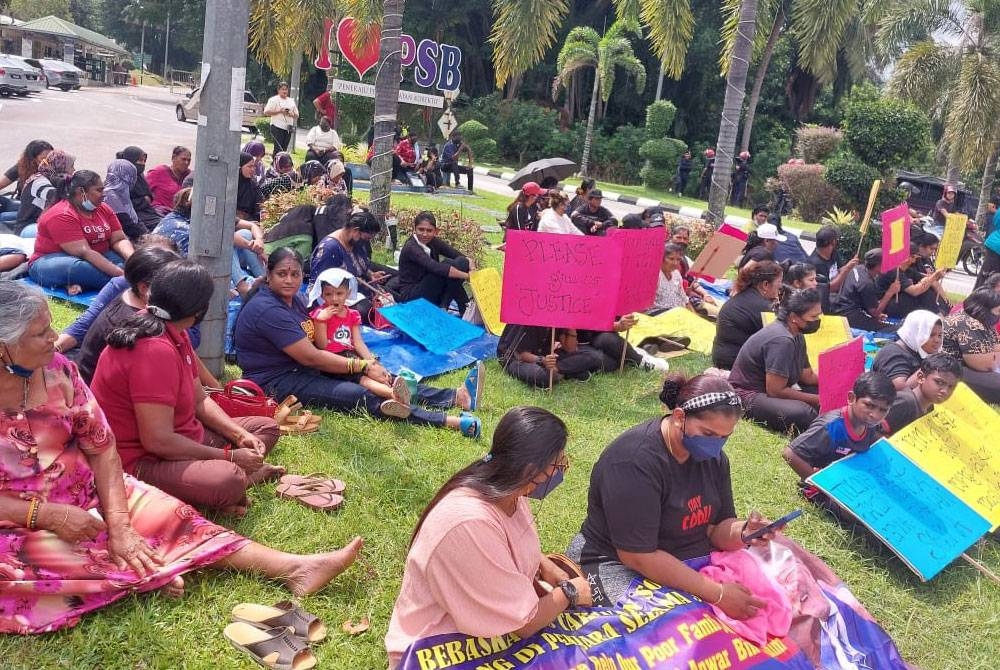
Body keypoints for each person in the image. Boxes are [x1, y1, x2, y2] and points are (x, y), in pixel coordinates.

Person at [0, 280, 362, 635]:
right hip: (14, 515)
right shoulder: (150, 347)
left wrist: (121, 524)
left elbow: (102, 447)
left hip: (87, 487)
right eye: (40, 333)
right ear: (3, 347)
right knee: (27, 567)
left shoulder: (61, 369)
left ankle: (294, 568)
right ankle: (145, 575)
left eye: (50, 327)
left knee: (175, 518)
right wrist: (43, 514)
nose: (55, 336)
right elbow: (158, 439)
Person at [385, 407, 591, 668]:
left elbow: (505, 544)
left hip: (487, 635)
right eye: (558, 465)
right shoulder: (469, 523)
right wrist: (570, 592)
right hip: (440, 650)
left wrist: (542, 564)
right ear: (531, 470)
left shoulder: (510, 492)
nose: (561, 472)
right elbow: (525, 625)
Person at [565, 373, 778, 610]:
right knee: (672, 628)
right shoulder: (634, 463)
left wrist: (744, 532)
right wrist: (716, 594)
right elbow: (638, 556)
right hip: (614, 562)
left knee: (777, 583)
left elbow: (716, 528)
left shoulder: (713, 459)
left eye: (724, 437)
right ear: (679, 417)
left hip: (684, 559)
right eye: (708, 434)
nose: (716, 444)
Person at [90, 260, 282, 515]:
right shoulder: (153, 351)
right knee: (229, 479)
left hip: (182, 438)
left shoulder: (172, 329)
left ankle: (214, 487)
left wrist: (239, 435)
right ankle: (222, 489)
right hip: (139, 461)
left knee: (264, 428)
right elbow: (157, 442)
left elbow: (199, 400)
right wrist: (229, 458)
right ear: (198, 311)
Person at [234, 248, 482, 436]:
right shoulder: (267, 309)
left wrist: (362, 361)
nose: (289, 280)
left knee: (383, 376)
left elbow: (322, 344)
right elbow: (310, 356)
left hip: (305, 367)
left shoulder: (294, 300)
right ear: (268, 275)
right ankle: (449, 421)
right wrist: (360, 366)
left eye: (294, 274)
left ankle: (457, 397)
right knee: (358, 393)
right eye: (281, 274)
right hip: (277, 381)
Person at [307, 269, 411, 410]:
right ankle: (393, 395)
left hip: (351, 355)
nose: (334, 298)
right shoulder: (320, 314)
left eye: (339, 293)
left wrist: (372, 362)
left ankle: (398, 394)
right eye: (328, 294)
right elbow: (322, 345)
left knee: (374, 371)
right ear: (321, 294)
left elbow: (358, 342)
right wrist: (320, 322)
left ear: (348, 293)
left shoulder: (352, 314)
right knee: (362, 379)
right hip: (334, 359)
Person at [75, 246, 180, 383]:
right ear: (144, 288)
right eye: (173, 285)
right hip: (97, 395)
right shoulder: (137, 325)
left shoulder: (131, 296)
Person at [729, 288, 822, 433]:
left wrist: (835, 383)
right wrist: (817, 399)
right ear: (794, 317)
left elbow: (807, 377)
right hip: (748, 396)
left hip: (770, 392)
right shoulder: (782, 340)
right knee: (805, 413)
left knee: (826, 394)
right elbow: (776, 391)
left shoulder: (797, 335)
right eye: (813, 317)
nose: (817, 321)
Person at [28, 170, 135, 293]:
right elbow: (85, 253)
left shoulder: (103, 208)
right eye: (99, 190)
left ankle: (80, 283)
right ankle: (127, 284)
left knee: (125, 264)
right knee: (82, 269)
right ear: (81, 192)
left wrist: (134, 260)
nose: (104, 194)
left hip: (96, 255)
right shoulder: (62, 214)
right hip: (53, 261)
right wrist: (121, 274)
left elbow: (119, 239)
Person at [782, 371, 895, 482]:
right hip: (828, 483)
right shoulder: (831, 426)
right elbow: (790, 454)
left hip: (846, 475)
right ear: (851, 398)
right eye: (869, 405)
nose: (875, 415)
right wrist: (818, 482)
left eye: (883, 410)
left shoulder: (868, 423)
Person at [154, 187, 265, 298]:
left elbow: (251, 226)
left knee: (245, 233)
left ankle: (263, 277)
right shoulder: (181, 226)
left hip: (199, 260)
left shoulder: (199, 217)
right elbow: (224, 237)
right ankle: (242, 286)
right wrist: (254, 248)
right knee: (221, 244)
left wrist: (259, 241)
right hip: (181, 272)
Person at [310, 209, 394, 324]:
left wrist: (371, 275)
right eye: (367, 238)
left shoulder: (356, 242)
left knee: (391, 297)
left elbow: (360, 265)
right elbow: (319, 286)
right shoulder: (329, 249)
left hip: (361, 289)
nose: (366, 242)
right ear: (355, 231)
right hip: (338, 296)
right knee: (365, 311)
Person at [394, 211, 471, 313]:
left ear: (436, 231)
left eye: (429, 231)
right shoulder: (411, 247)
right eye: (421, 230)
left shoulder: (433, 241)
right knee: (447, 265)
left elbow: (459, 256)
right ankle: (463, 307)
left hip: (429, 288)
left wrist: (472, 268)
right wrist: (468, 276)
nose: (425, 234)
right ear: (414, 229)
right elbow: (434, 267)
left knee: (462, 262)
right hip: (412, 296)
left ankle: (445, 305)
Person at [711, 261, 783, 370]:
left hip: (723, 357)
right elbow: (778, 340)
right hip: (735, 363)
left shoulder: (746, 296)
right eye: (779, 282)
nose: (781, 286)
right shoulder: (762, 307)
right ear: (765, 285)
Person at [942, 288, 1000, 403]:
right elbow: (983, 364)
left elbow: (997, 347)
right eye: (998, 311)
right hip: (951, 368)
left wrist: (994, 356)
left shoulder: (983, 322)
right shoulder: (969, 324)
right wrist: (994, 356)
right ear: (984, 309)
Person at [884, 353, 961, 434]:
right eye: (940, 382)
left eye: (951, 387)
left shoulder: (929, 408)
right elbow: (873, 431)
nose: (945, 391)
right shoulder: (905, 402)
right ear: (921, 378)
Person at [870, 310, 943, 390]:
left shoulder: (918, 351)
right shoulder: (893, 354)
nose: (937, 340)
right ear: (916, 332)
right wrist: (931, 363)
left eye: (939, 335)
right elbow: (901, 391)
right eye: (931, 335)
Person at [831, 249, 901, 331]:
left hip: (839, 307)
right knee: (891, 329)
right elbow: (875, 313)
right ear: (878, 265)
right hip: (849, 314)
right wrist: (890, 292)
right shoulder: (866, 283)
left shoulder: (858, 268)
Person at [876, 244, 947, 319]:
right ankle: (938, 317)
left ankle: (940, 314)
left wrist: (945, 300)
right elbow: (915, 291)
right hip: (886, 305)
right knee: (921, 294)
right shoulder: (893, 271)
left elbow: (932, 282)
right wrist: (933, 277)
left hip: (897, 303)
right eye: (913, 257)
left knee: (928, 291)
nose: (914, 261)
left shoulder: (908, 271)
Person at [14, 149, 74, 237]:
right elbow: (56, 197)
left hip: (44, 222)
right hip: (27, 226)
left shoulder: (55, 178)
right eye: (71, 166)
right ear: (61, 166)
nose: (74, 169)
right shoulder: (38, 181)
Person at [0, 139, 52, 226]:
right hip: (19, 203)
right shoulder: (22, 167)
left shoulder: (54, 171)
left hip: (35, 209)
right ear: (32, 158)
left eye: (50, 158)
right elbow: (2, 183)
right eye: (43, 159)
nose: (47, 162)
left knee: (4, 216)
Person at [808, 225, 859, 312]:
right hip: (825, 301)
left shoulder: (833, 253)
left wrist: (848, 268)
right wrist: (846, 269)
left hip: (838, 292)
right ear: (833, 242)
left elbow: (841, 269)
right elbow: (829, 289)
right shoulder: (814, 263)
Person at [116, 146, 162, 232]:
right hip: (133, 216)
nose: (143, 164)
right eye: (140, 160)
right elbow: (121, 204)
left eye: (144, 161)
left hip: (148, 212)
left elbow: (149, 194)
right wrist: (144, 200)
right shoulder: (119, 179)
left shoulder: (138, 175)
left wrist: (147, 199)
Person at [103, 158, 145, 241]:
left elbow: (135, 220)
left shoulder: (122, 192)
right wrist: (147, 237)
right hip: (121, 240)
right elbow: (127, 225)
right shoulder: (110, 196)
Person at [145, 146, 192, 213]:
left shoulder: (189, 177)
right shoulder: (158, 172)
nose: (186, 163)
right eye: (183, 159)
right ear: (173, 158)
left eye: (189, 160)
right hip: (159, 213)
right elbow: (143, 190)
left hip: (179, 215)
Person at [651, 243, 691, 312]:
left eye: (678, 259)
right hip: (659, 313)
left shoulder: (676, 274)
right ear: (661, 258)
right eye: (671, 259)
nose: (675, 263)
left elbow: (684, 298)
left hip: (679, 312)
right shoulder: (654, 276)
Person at [263, 81, 299, 155]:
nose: (285, 91)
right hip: (277, 126)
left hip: (288, 128)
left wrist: (291, 114)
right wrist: (279, 111)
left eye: (286, 89)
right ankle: (275, 164)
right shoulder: (273, 100)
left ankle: (281, 164)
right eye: (283, 89)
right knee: (278, 148)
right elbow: (266, 112)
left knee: (284, 149)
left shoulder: (291, 101)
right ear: (278, 90)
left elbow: (297, 115)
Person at [236, 152, 265, 221]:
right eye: (249, 166)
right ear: (240, 167)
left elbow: (260, 203)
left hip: (251, 220)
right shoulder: (231, 184)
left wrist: (262, 212)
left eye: (254, 166)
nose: (253, 169)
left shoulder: (253, 184)